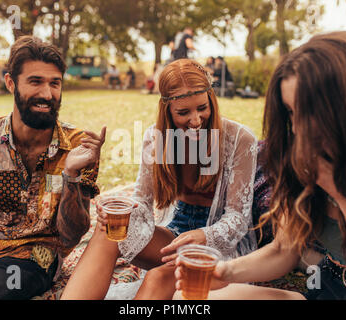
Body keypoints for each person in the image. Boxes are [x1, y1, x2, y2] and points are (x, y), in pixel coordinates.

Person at [174, 31, 346, 300]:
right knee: (189, 299)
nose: (297, 128)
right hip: (324, 291)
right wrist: (224, 272)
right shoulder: (309, 160)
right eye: (290, 112)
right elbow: (284, 251)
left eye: (309, 112)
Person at [61, 58, 258, 300]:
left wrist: (204, 235)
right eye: (183, 112)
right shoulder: (156, 138)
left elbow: (238, 218)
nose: (196, 120)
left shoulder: (240, 139)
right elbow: (142, 202)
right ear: (167, 110)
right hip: (176, 233)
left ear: (212, 101)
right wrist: (119, 212)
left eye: (202, 108)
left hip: (221, 246)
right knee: (110, 228)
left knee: (157, 277)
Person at [0, 35, 105, 300]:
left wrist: (71, 175)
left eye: (55, 83)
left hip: (32, 255)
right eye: (35, 81)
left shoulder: (77, 146)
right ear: (10, 82)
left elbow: (71, 234)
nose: (47, 94)